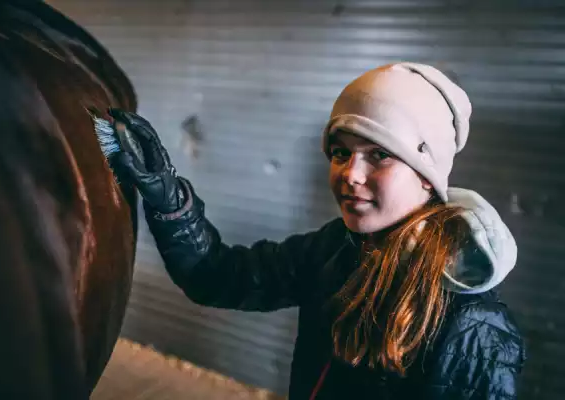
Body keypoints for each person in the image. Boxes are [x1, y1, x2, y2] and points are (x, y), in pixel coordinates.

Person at [101, 62, 525, 399]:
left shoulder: (474, 327)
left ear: (427, 176)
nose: (350, 174)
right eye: (341, 152)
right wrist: (168, 198)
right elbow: (216, 276)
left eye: (379, 154)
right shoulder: (336, 249)